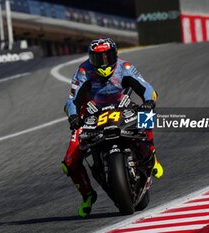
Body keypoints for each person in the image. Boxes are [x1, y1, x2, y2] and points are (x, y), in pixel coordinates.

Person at [61, 38, 163, 218]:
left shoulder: (125, 67)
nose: (103, 62)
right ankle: (87, 196)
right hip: (92, 114)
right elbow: (72, 100)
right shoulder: (84, 71)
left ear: (115, 54)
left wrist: (148, 102)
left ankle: (152, 155)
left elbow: (147, 88)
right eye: (98, 58)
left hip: (122, 106)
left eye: (107, 57)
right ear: (90, 58)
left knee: (146, 114)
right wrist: (74, 116)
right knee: (69, 161)